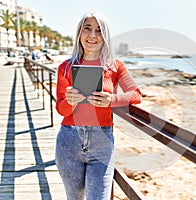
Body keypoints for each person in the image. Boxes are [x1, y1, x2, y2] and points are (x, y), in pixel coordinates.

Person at [55, 10, 141, 200]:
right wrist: (70, 102)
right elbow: (61, 109)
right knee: (74, 198)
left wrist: (112, 100)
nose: (92, 35)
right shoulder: (66, 67)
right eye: (87, 29)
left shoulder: (115, 66)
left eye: (99, 30)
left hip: (102, 141)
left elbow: (136, 94)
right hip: (69, 139)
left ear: (106, 36)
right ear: (79, 33)